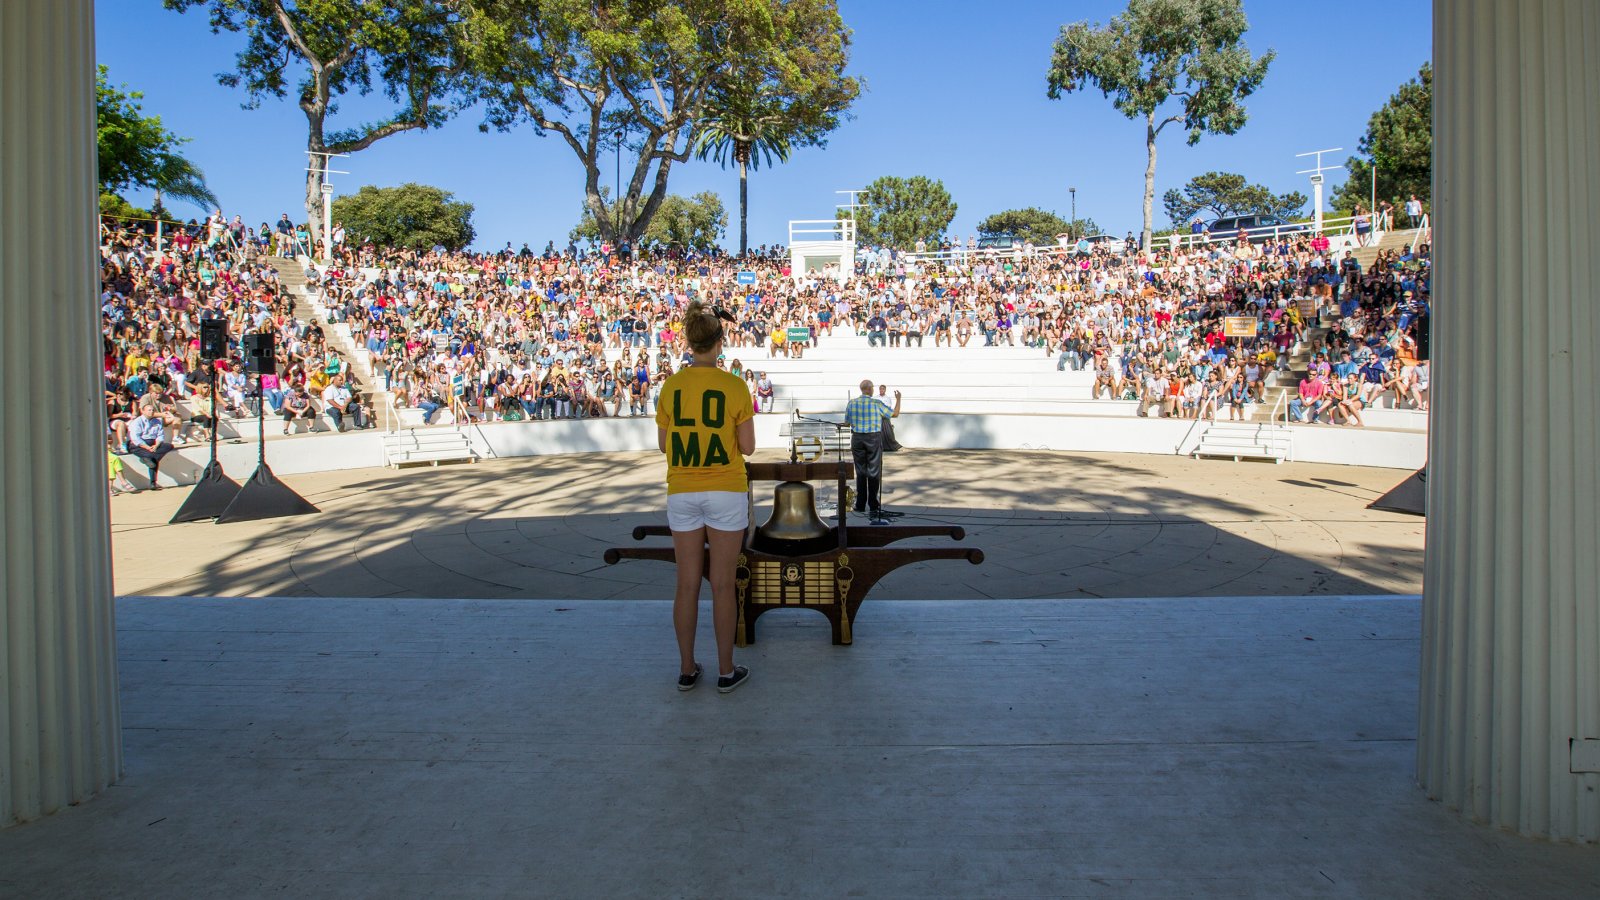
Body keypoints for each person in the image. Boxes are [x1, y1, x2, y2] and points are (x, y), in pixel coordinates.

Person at [656, 302, 755, 694]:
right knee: (722, 585)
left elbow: (664, 445)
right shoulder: (733, 385)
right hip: (726, 489)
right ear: (719, 343)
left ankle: (686, 669)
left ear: (689, 343)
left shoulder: (671, 385)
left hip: (682, 490)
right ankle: (726, 671)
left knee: (686, 585)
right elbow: (747, 447)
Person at [846, 379, 901, 523]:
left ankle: (860, 505)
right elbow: (894, 414)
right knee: (874, 471)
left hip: (857, 438)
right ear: (870, 390)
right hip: (873, 438)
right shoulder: (876, 403)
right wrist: (899, 399)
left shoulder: (852, 403)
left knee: (860, 471)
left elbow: (847, 422)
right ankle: (873, 505)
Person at [127, 403, 174, 490]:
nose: (151, 412)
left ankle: (145, 458)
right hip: (138, 445)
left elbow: (160, 435)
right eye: (149, 410)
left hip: (153, 443)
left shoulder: (157, 421)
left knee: (169, 446)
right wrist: (147, 447)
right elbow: (135, 439)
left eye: (152, 410)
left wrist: (156, 445)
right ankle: (153, 482)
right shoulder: (137, 422)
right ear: (143, 411)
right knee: (152, 458)